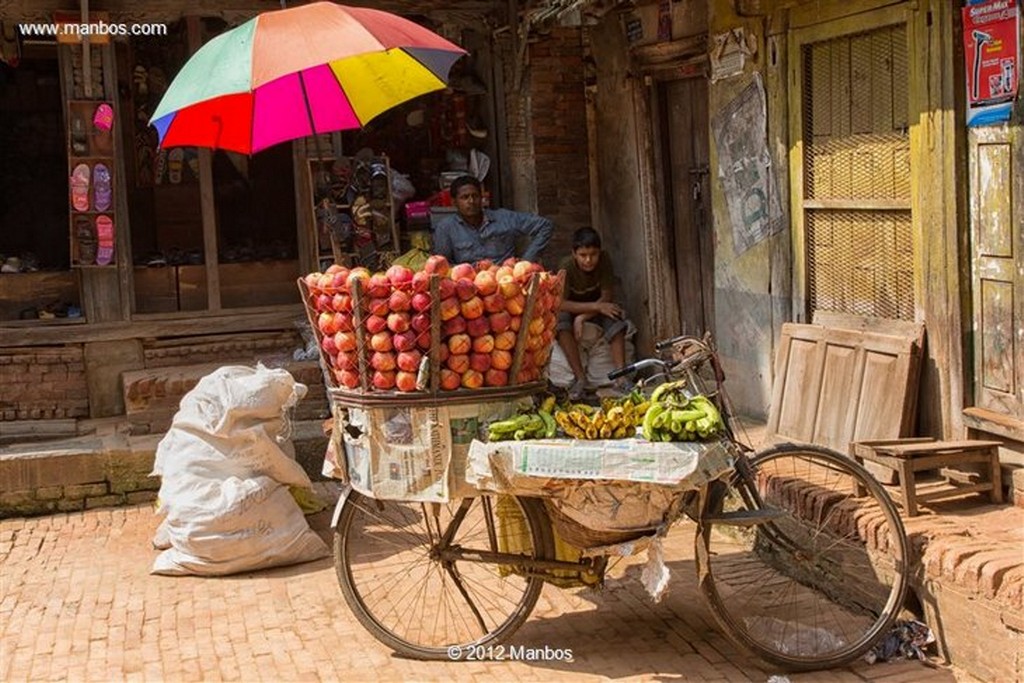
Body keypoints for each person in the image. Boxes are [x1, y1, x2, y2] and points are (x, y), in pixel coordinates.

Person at [556, 227, 629, 400]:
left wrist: (584, 317)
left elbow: (606, 296)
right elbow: (560, 303)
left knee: (615, 316)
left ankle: (621, 376)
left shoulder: (604, 261)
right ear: (574, 254)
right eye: (583, 255)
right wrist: (587, 311)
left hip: (597, 307)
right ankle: (580, 378)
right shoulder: (566, 267)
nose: (588, 260)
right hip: (573, 308)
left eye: (593, 254)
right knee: (560, 322)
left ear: (599, 252)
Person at [432, 176, 553, 265]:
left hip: (507, 284)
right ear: (454, 202)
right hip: (469, 289)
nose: (471, 201)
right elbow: (443, 265)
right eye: (464, 197)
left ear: (482, 198)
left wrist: (526, 261)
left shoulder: (504, 218)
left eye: (475, 196)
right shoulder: (446, 228)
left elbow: (545, 225)